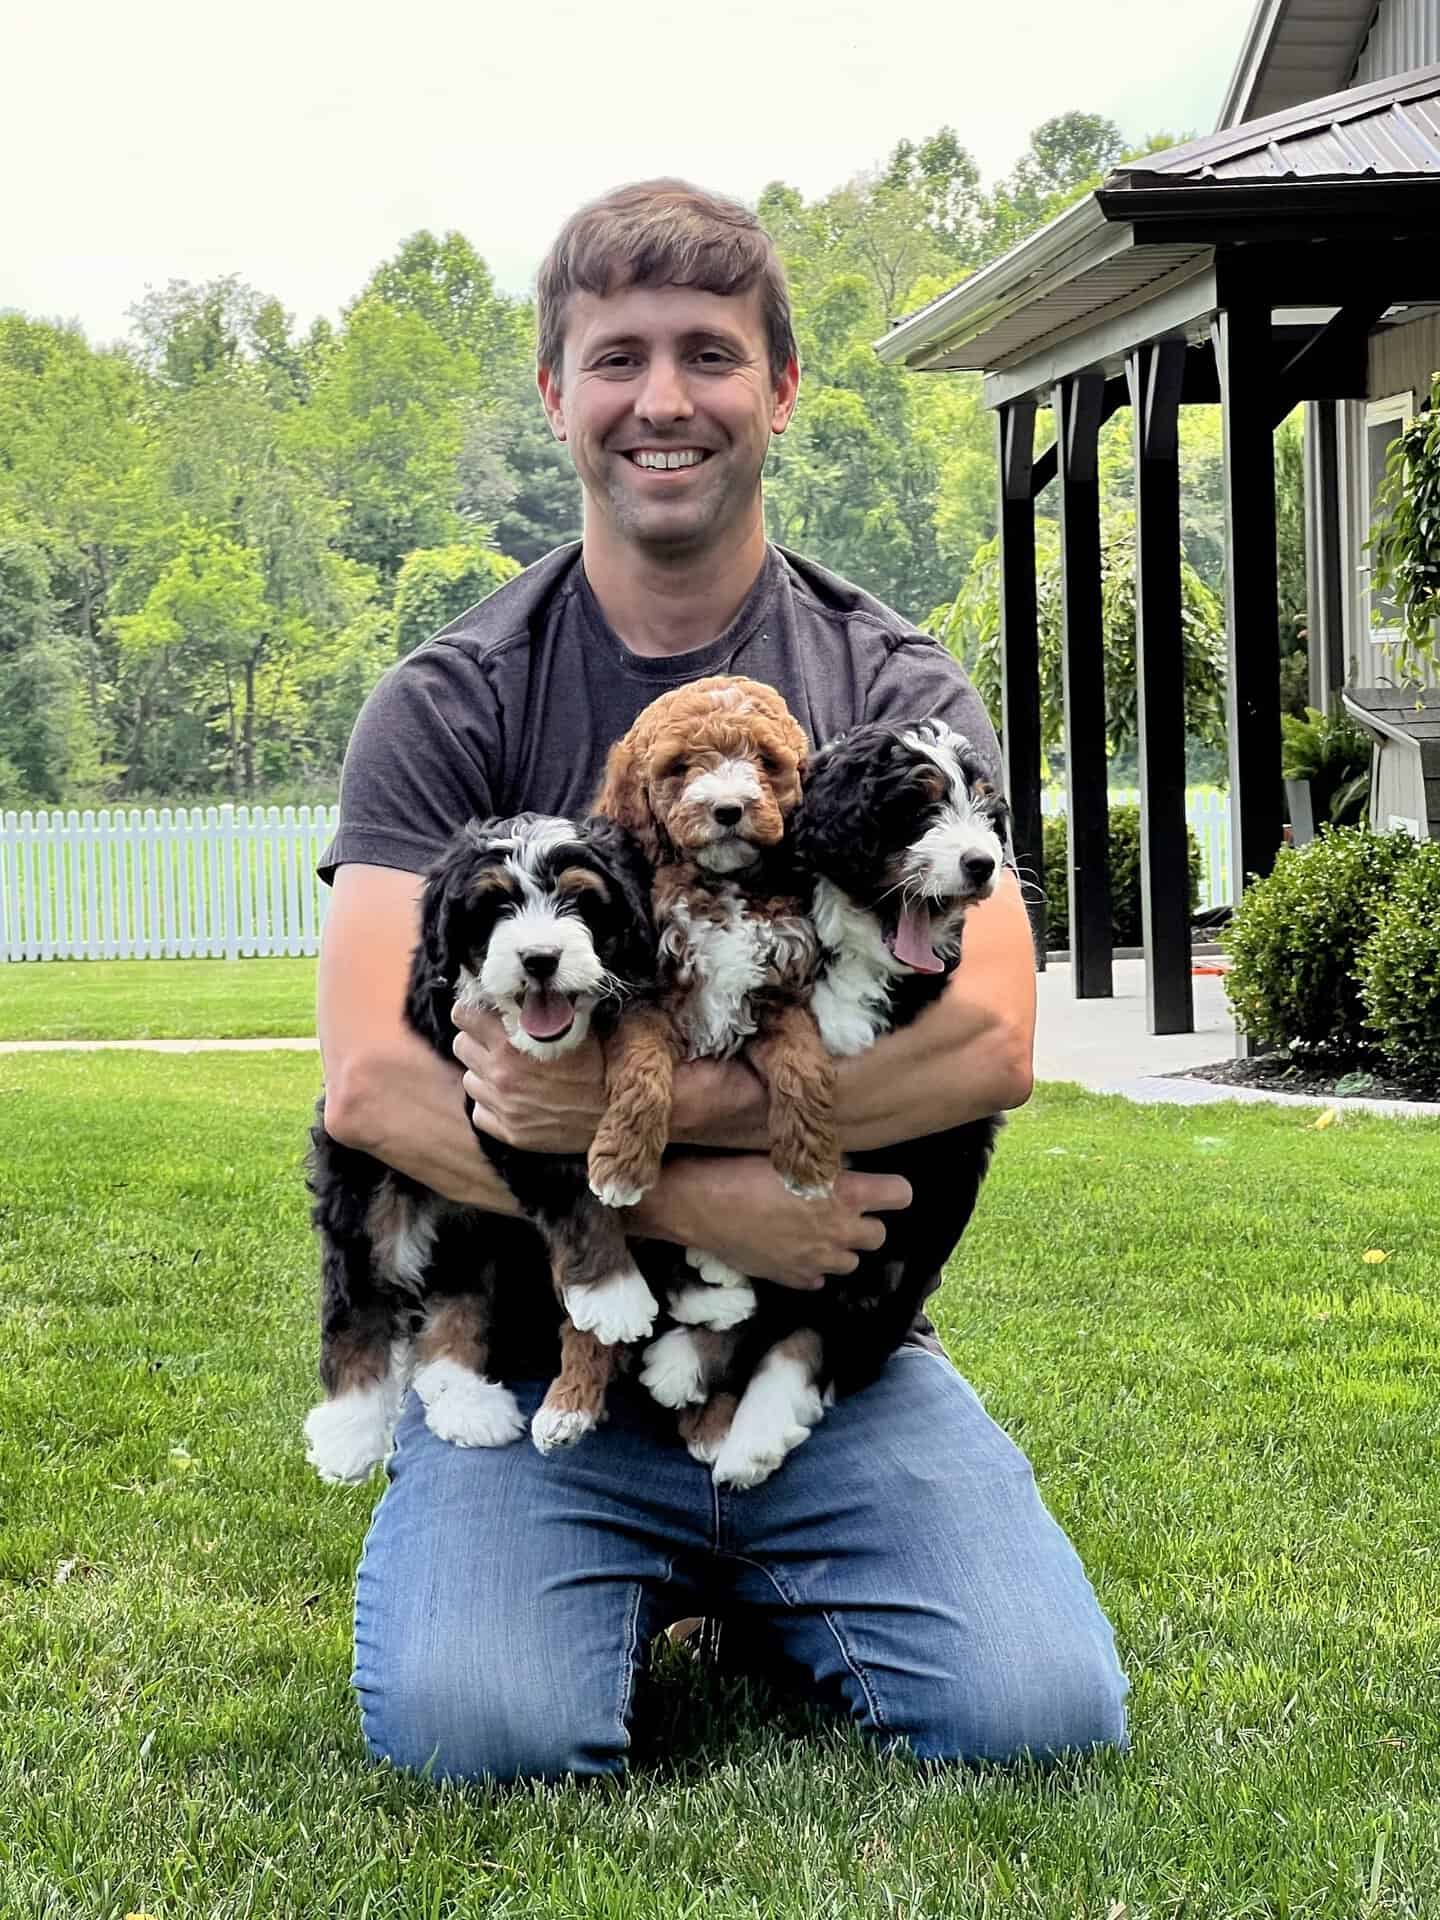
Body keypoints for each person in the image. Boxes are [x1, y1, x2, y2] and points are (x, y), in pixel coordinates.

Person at [317, 178, 1127, 1783]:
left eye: (710, 353)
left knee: (1038, 1718)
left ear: (781, 386)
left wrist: (678, 1127)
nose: (664, 400)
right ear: (555, 394)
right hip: (550, 1336)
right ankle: (620, 1552)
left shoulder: (888, 680)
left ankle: (755, 1563)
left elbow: (994, 1036)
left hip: (825, 1337)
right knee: (488, 1734)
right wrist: (698, 1200)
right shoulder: (450, 697)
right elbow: (375, 1082)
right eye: (617, 358)